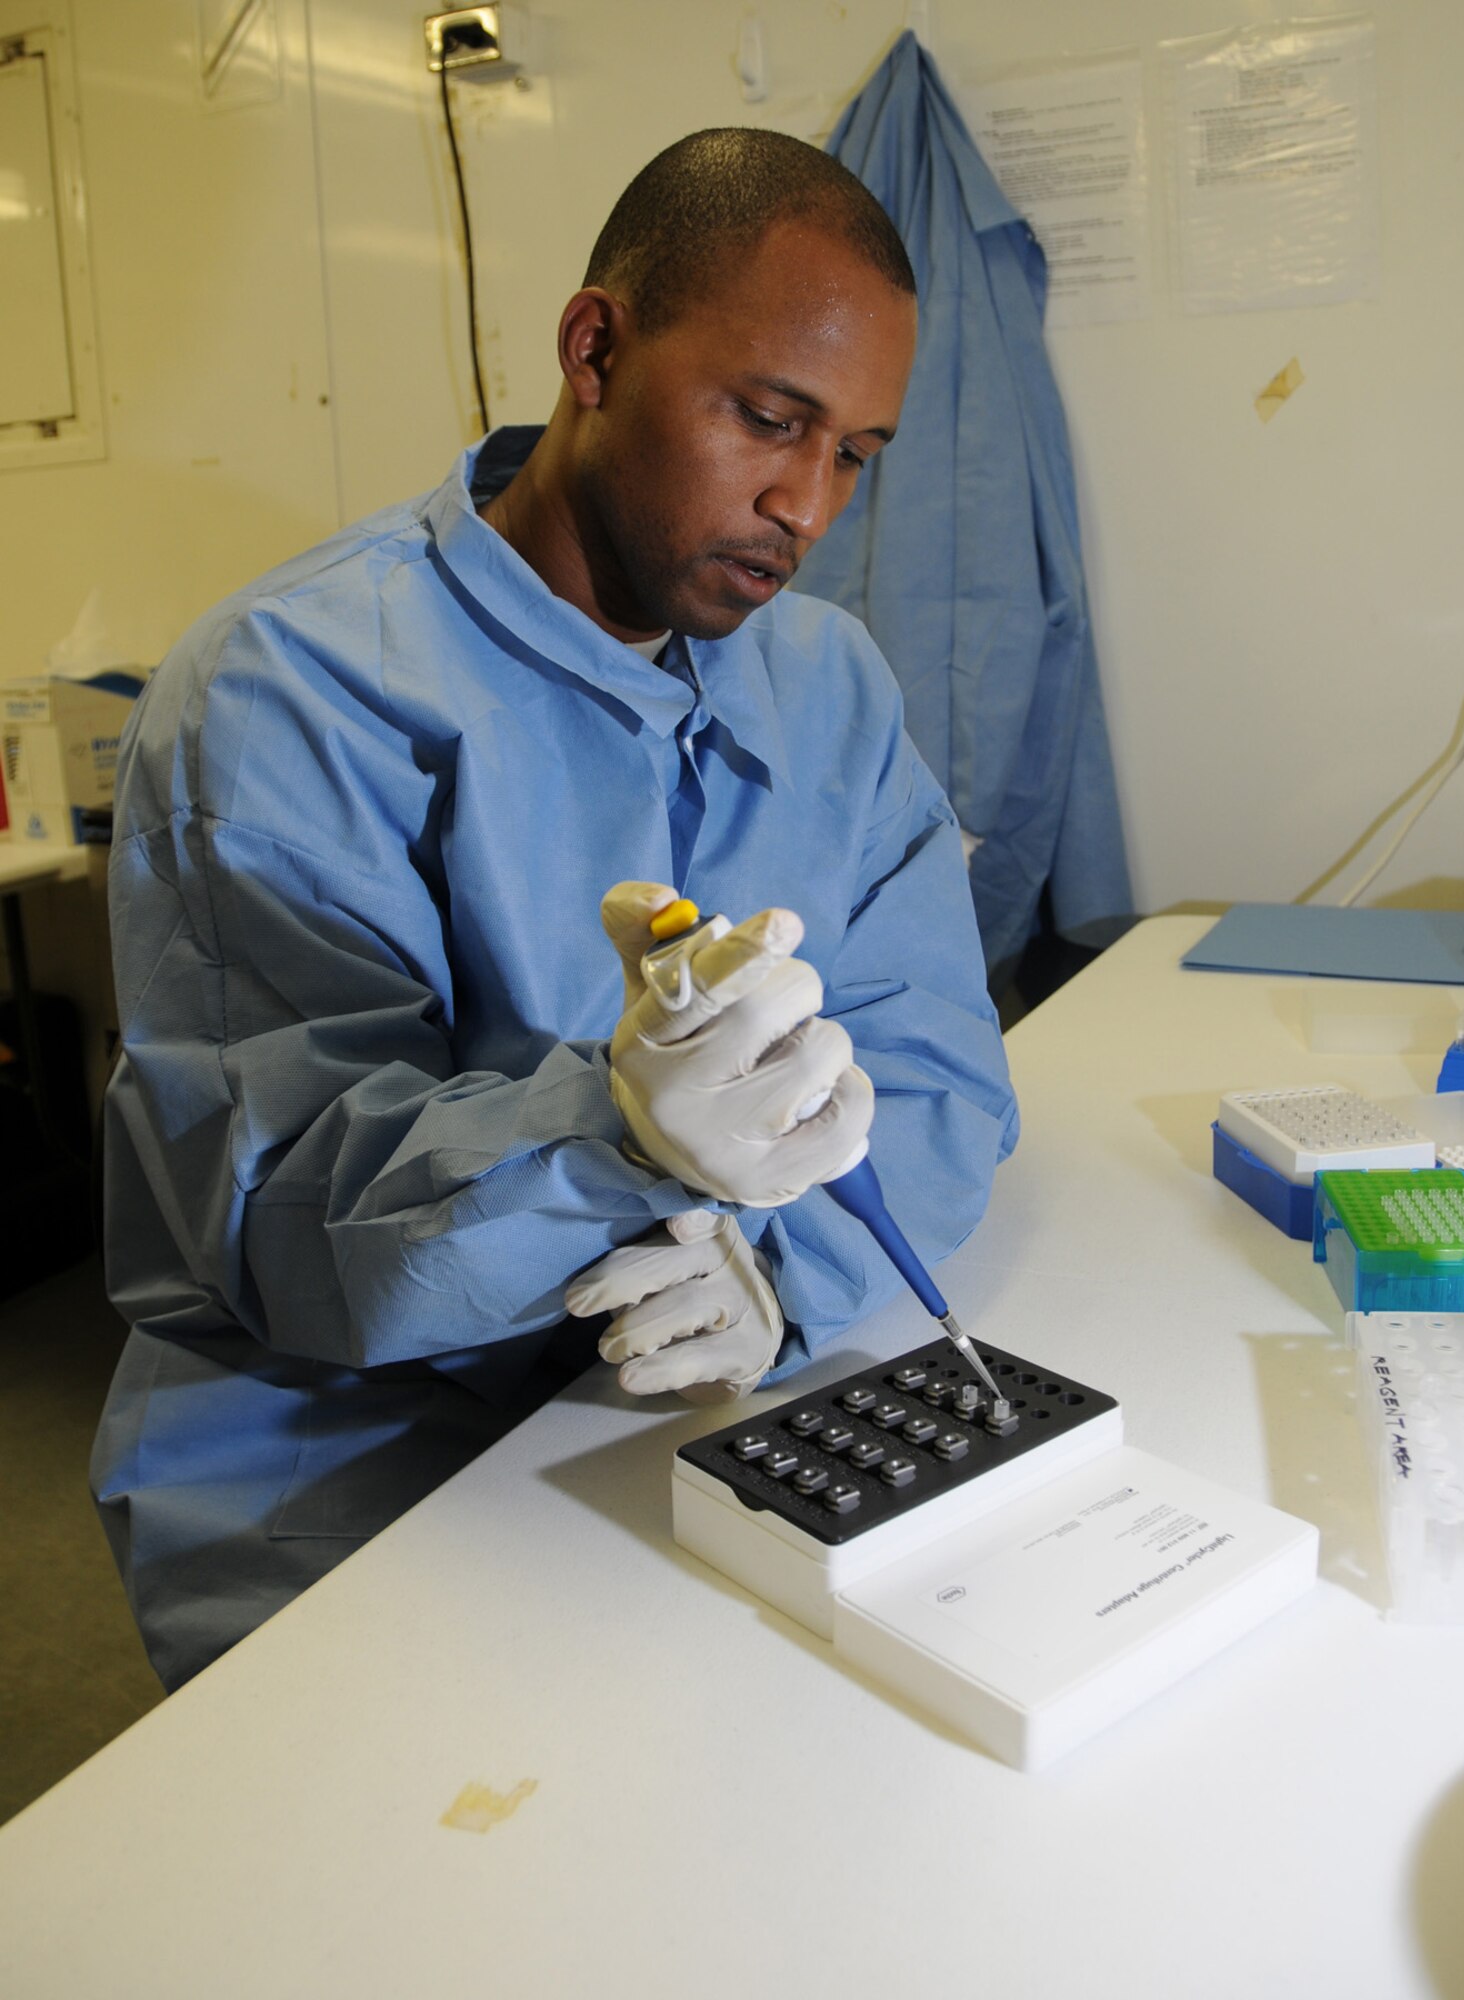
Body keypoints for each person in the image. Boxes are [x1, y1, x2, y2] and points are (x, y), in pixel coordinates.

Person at [93, 128, 1018, 1691]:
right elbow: (290, 1222)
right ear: (597, 348)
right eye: (767, 420)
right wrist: (620, 1140)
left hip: (681, 1426)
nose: (805, 505)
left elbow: (933, 1066)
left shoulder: (827, 682)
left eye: (854, 455)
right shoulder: (291, 695)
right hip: (348, 1478)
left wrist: (776, 1281)